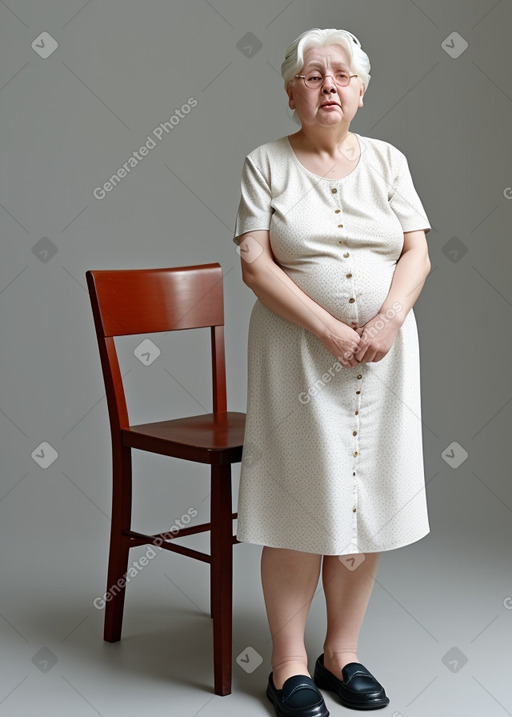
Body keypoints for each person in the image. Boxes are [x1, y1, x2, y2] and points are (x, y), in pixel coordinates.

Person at [232, 27, 432, 716]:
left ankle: (339, 653)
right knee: (298, 501)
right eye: (312, 75)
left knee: (366, 501)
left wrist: (385, 320)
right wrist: (328, 329)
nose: (328, 85)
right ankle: (287, 665)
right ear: (291, 93)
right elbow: (256, 263)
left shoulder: (388, 162)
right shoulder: (265, 162)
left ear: (361, 91)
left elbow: (417, 253)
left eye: (341, 75)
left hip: (383, 355)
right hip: (296, 356)